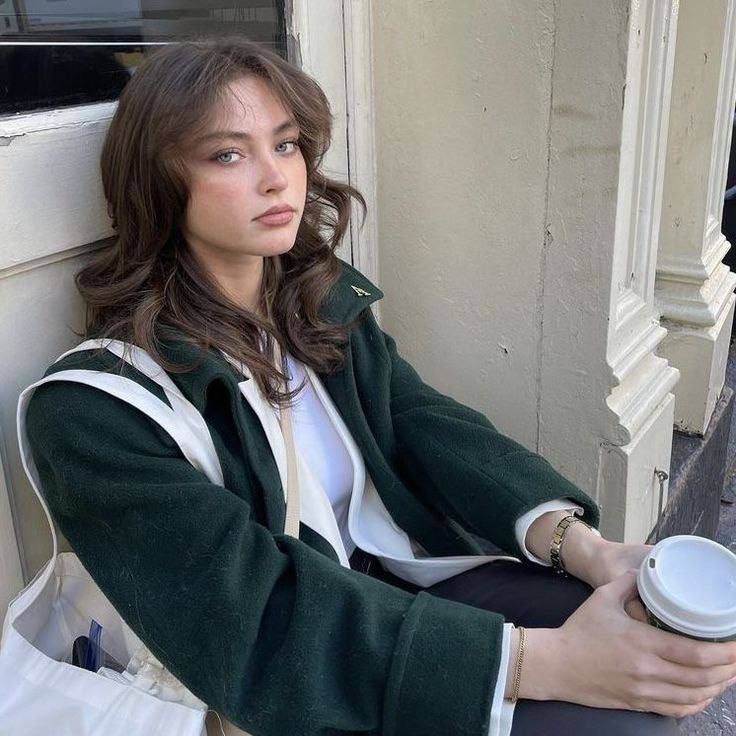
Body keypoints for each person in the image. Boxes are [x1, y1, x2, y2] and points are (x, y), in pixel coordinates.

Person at [23, 36, 736, 736]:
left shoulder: (310, 304)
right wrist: (550, 664)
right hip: (288, 667)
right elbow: (261, 620)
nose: (278, 178)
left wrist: (586, 549)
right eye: (228, 154)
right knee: (613, 719)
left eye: (287, 142)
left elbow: (425, 424)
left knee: (650, 665)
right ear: (156, 180)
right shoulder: (95, 412)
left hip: (397, 577)